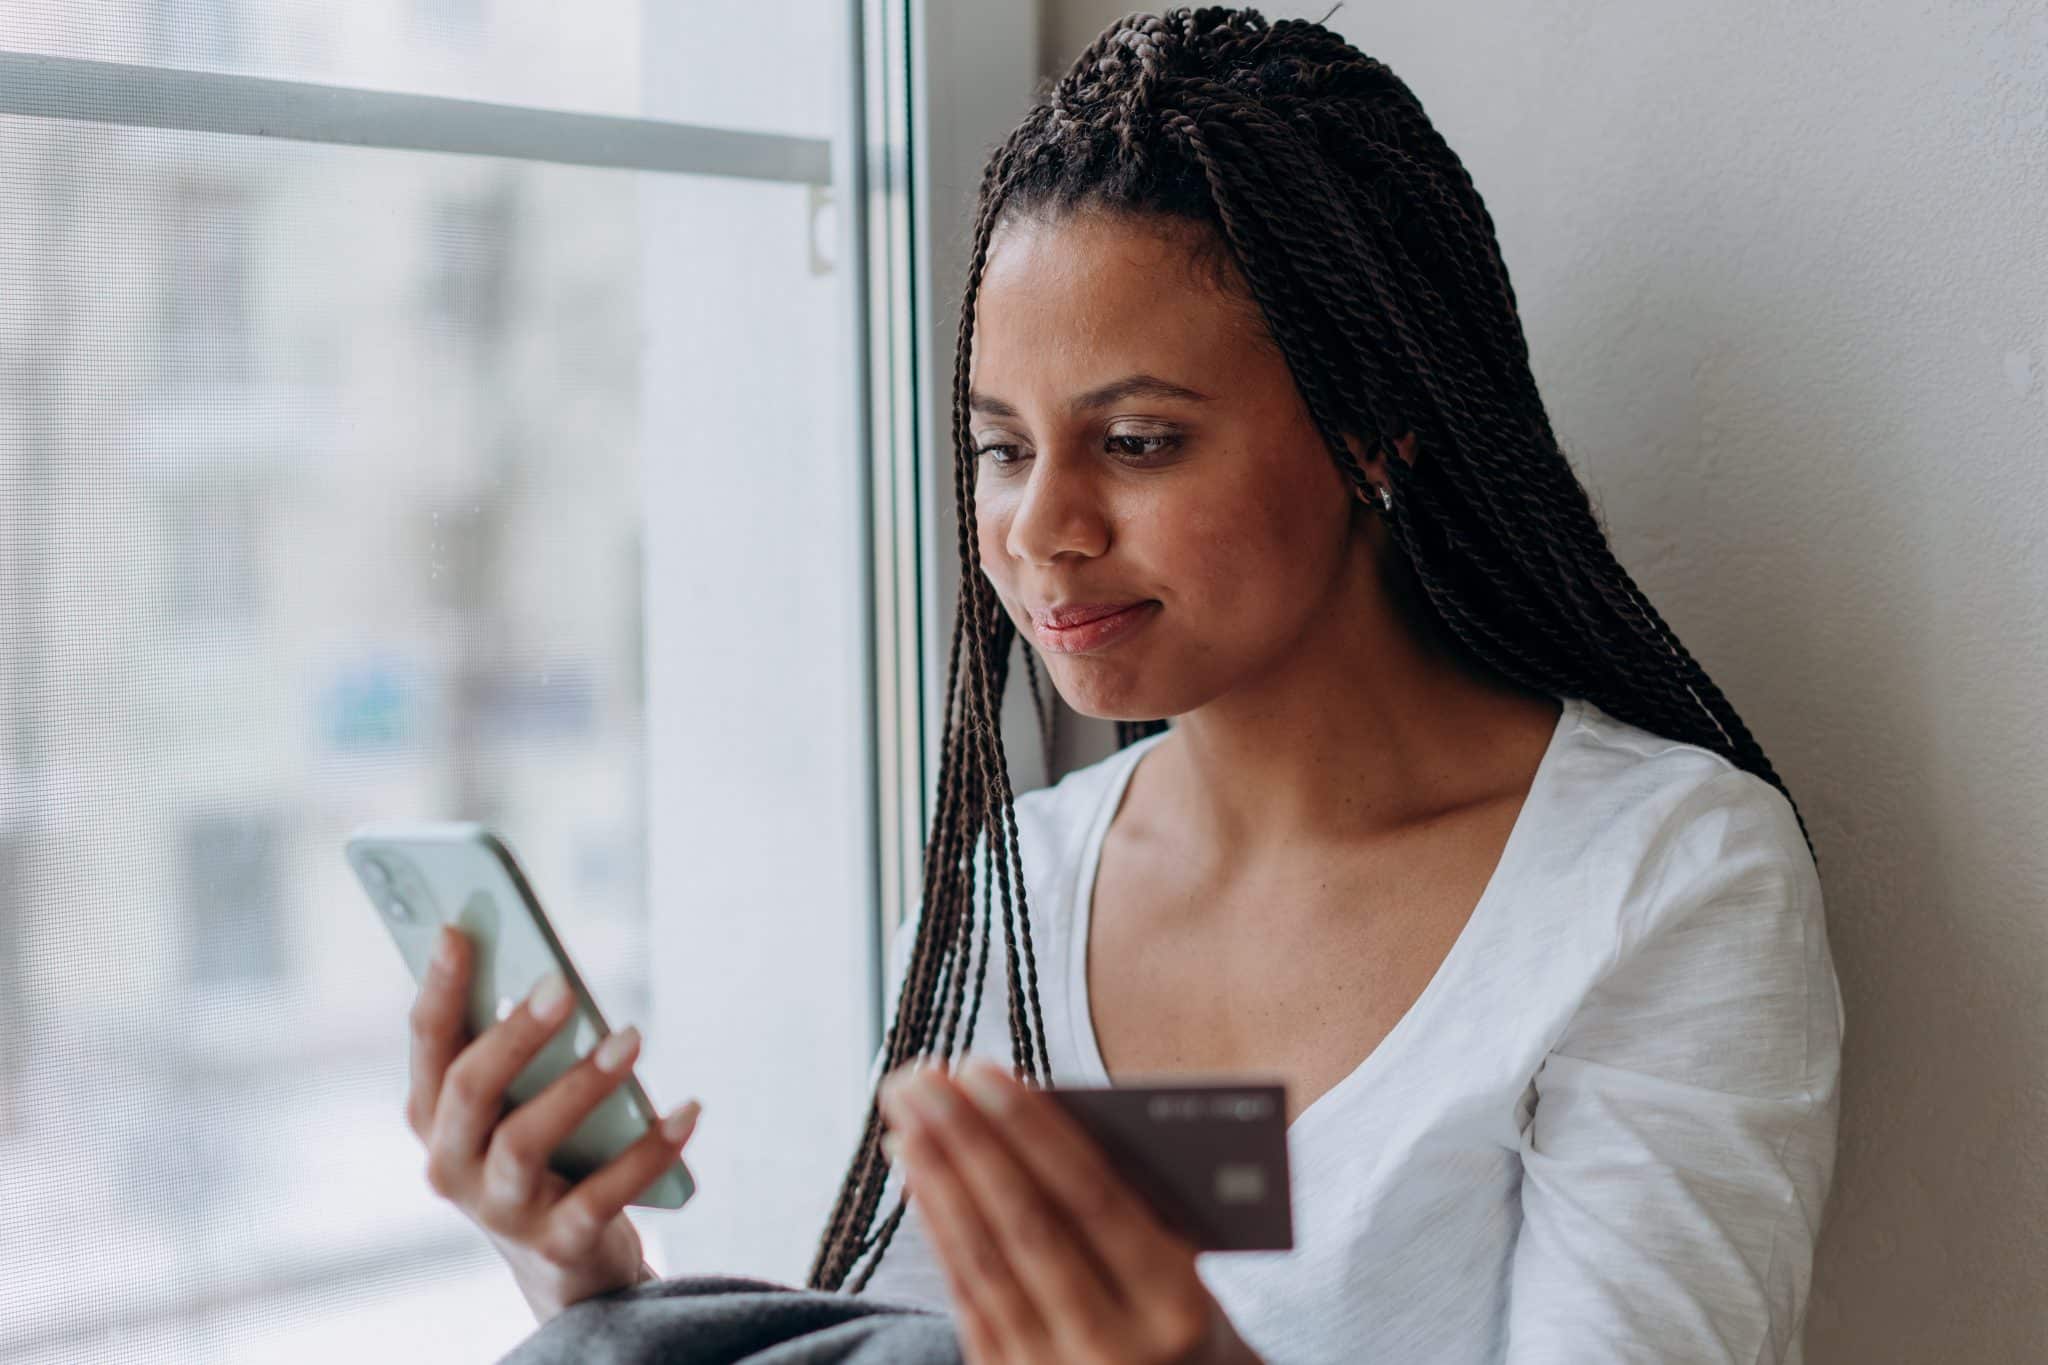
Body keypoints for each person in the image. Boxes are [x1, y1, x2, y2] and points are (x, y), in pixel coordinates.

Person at [405, 8, 1845, 1365]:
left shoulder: (1661, 880)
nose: (1041, 530)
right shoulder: (1017, 891)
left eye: (1140, 441)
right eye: (1002, 448)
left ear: (1373, 432)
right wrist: (592, 1291)